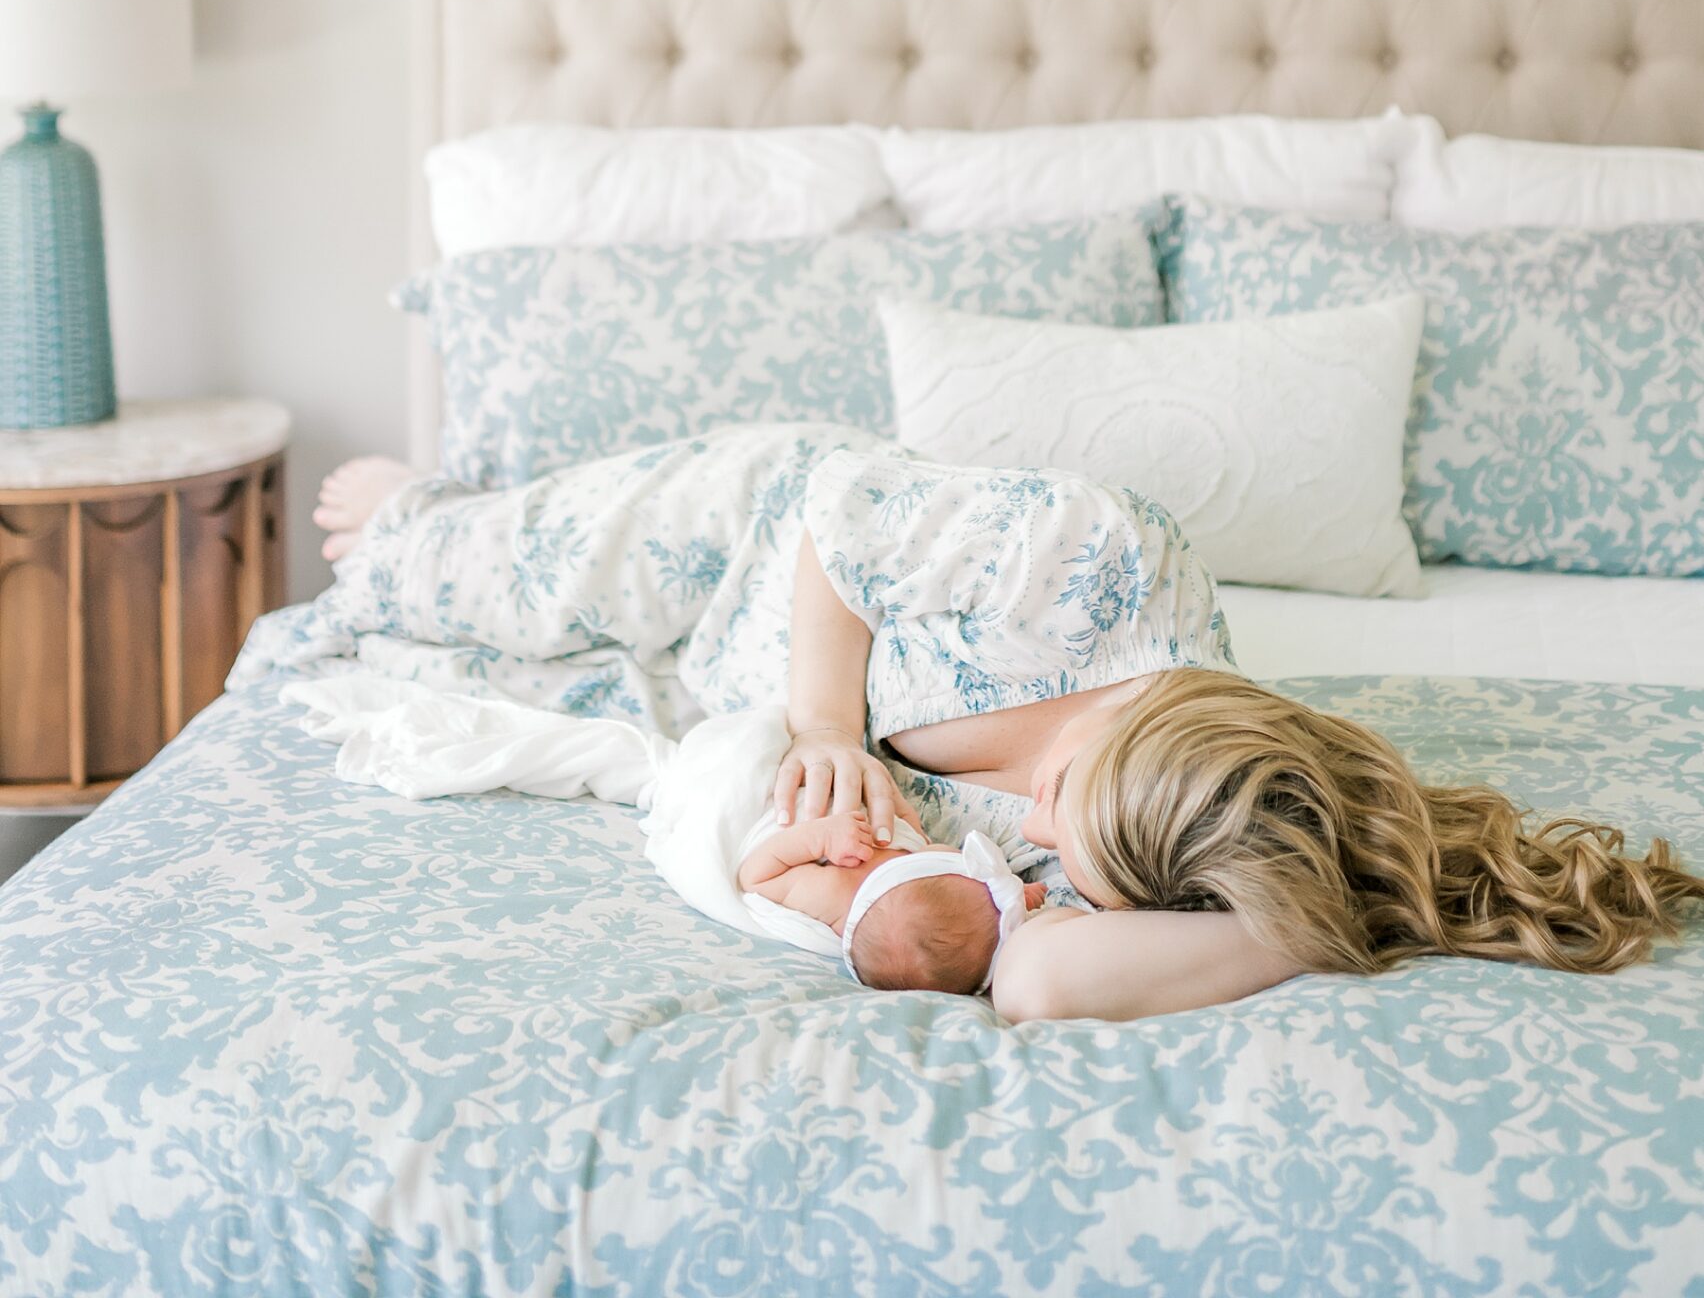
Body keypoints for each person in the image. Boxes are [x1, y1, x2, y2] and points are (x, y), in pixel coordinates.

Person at [294, 432, 1702, 1025]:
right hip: (763, 540)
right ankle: (441, 502)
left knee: (466, 679)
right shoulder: (1094, 557)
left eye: (1067, 856)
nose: (1029, 841)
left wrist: (1308, 917)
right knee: (397, 571)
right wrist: (826, 721)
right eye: (1059, 804)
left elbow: (1037, 986)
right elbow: (842, 513)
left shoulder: (1160, 834)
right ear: (1114, 733)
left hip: (700, 695)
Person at [736, 806, 1045, 993]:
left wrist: (818, 837)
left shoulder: (834, 890)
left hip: (776, 816)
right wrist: (1013, 901)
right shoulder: (907, 900)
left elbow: (755, 877)